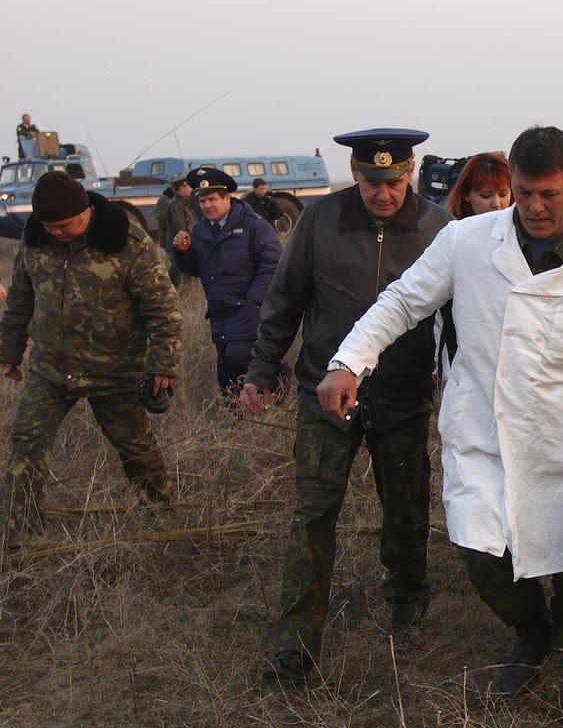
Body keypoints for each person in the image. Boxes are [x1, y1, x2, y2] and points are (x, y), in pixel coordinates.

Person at [318, 125, 563, 712]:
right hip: (480, 433)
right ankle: (529, 632)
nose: (535, 207)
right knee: (481, 552)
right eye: (523, 193)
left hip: (561, 443)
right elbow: (403, 301)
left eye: (549, 194)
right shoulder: (466, 242)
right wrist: (347, 364)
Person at [243, 128, 452, 682]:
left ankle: (408, 604)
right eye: (372, 181)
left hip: (402, 395)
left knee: (406, 510)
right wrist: (263, 370)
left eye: (395, 180)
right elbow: (284, 299)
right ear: (355, 173)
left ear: (410, 171)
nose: (384, 193)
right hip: (325, 395)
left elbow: (460, 315)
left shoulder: (438, 228)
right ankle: (295, 642)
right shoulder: (319, 221)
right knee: (313, 514)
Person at [0, 172, 181, 546]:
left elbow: (162, 307)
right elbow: (19, 299)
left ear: (84, 211)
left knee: (135, 448)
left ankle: (160, 518)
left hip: (113, 368)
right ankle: (21, 538)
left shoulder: (126, 241)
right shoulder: (35, 240)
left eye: (63, 226)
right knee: (25, 441)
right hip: (51, 369)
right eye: (49, 226)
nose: (55, 233)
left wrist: (163, 362)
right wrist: (9, 351)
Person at [172, 168, 284, 393]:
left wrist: (254, 301)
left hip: (247, 309)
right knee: (225, 369)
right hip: (218, 312)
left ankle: (282, 383)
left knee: (240, 357)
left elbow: (273, 264)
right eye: (202, 201)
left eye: (212, 199)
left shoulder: (254, 225)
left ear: (227, 199)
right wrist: (183, 252)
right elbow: (196, 268)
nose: (206, 206)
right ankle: (236, 419)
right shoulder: (201, 230)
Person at [437, 153, 512, 382]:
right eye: (486, 195)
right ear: (467, 195)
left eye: (503, 194)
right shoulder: (452, 239)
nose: (496, 204)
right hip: (463, 364)